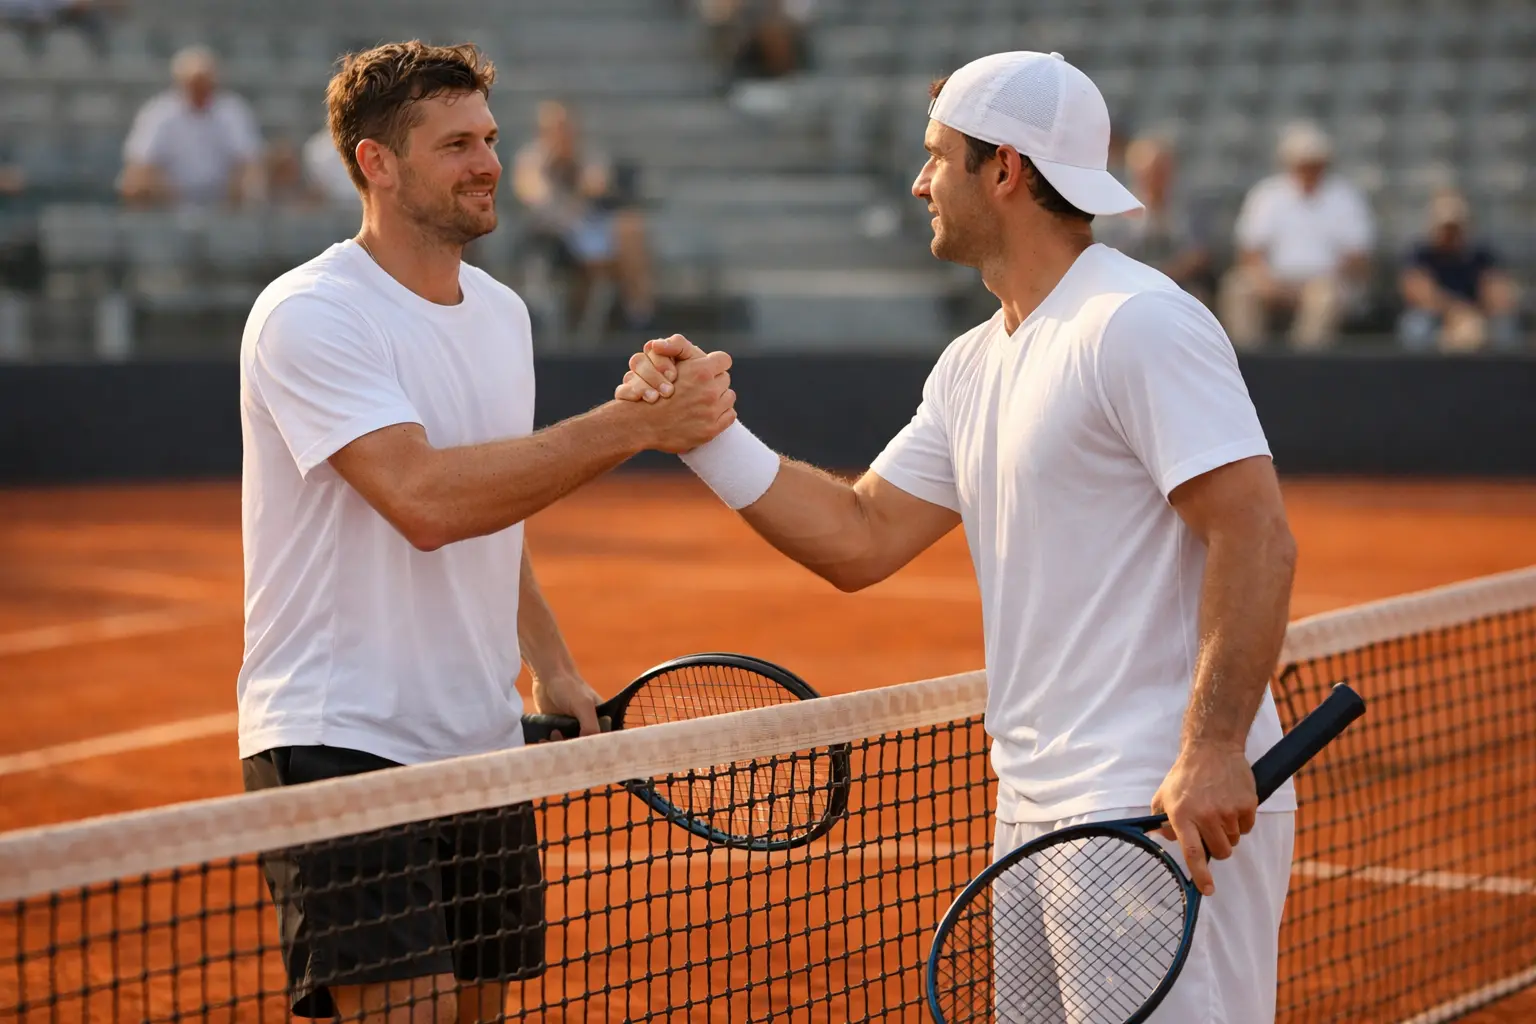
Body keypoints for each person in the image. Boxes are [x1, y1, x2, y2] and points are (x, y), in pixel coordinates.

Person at [622, 51, 1298, 1023]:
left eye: (938, 157)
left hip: (1151, 799)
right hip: (1032, 808)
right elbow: (861, 534)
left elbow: (1256, 535)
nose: (920, 181)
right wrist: (706, 436)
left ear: (1006, 170)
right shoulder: (972, 363)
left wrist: (1216, 747)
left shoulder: (1137, 321)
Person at [236, 41, 735, 1024]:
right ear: (377, 163)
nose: (490, 164)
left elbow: (490, 507)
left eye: (491, 139)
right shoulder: (311, 314)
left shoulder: (504, 314)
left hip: (480, 742)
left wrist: (552, 666)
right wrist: (633, 425)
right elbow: (426, 501)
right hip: (343, 737)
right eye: (457, 144)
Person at [1219, 121, 1374, 350]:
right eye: (1303, 163)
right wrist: (1268, 282)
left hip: (1324, 281)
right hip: (1273, 280)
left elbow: (1357, 258)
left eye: (1314, 163)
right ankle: (1246, 360)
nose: (1309, 170)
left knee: (1324, 297)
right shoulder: (1267, 195)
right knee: (1238, 287)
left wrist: (1326, 277)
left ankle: (1303, 364)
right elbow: (1250, 252)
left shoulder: (1345, 197)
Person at [512, 100, 654, 334]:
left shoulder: (587, 156)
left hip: (589, 228)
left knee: (630, 227)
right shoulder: (532, 160)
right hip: (552, 234)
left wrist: (576, 172)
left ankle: (639, 313)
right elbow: (536, 196)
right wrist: (554, 166)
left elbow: (597, 189)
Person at [119, 45, 266, 208]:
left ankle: (245, 221)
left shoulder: (232, 110)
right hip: (170, 195)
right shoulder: (158, 112)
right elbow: (141, 160)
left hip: (224, 195)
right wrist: (167, 189)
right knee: (136, 182)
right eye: (195, 83)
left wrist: (242, 189)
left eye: (205, 82)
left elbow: (249, 158)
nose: (200, 89)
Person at [1095, 132, 1213, 305]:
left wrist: (1167, 274)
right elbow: (1112, 254)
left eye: (1161, 171)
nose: (1155, 178)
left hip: (1180, 284)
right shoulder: (1116, 209)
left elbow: (1198, 253)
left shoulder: (1188, 208)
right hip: (1129, 284)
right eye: (1148, 172)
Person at [1398, 190, 1522, 353]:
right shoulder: (1420, 254)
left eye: (1455, 228)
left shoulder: (1483, 254)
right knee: (1416, 325)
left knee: (1504, 326)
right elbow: (1419, 293)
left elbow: (1500, 295)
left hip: (1480, 318)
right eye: (1445, 228)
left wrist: (1475, 318)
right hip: (1441, 318)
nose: (1450, 234)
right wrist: (1457, 314)